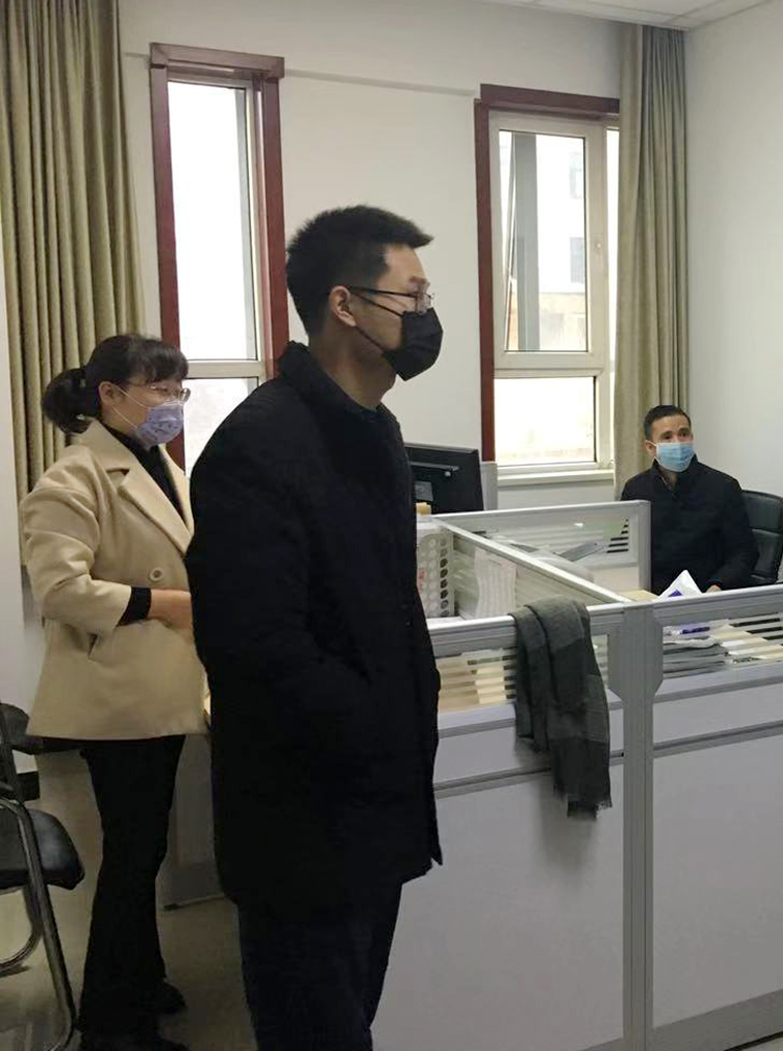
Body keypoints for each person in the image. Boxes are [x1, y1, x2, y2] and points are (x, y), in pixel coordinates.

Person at [185, 206, 444, 1051]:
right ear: (345, 304)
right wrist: (376, 726)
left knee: (351, 1020)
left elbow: (382, 610)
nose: (426, 315)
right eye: (411, 295)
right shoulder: (258, 447)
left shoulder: (377, 432)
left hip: (375, 814)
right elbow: (258, 651)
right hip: (302, 830)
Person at [21, 335, 202, 1051]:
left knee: (143, 849)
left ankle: (140, 979)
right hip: (117, 697)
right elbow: (60, 590)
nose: (172, 403)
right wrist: (163, 603)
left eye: (178, 390)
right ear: (109, 394)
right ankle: (113, 1024)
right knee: (131, 857)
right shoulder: (72, 478)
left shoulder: (157, 462)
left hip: (156, 686)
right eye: (159, 389)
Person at [621, 405, 759, 594]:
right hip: (653, 594)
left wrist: (717, 587)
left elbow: (744, 552)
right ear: (650, 447)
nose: (678, 442)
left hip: (707, 591)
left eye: (683, 434)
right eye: (667, 437)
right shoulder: (635, 489)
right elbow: (624, 551)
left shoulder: (723, 486)